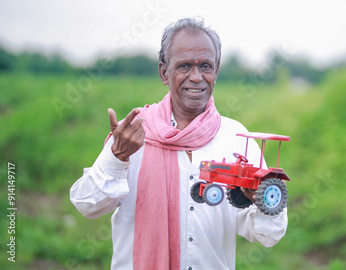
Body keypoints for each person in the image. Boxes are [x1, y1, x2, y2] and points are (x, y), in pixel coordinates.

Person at [70, 17, 288, 270]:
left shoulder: (237, 137)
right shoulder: (134, 134)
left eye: (205, 66)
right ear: (164, 72)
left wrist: (263, 201)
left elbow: (268, 234)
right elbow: (87, 205)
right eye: (184, 66)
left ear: (216, 71)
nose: (196, 77)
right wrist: (116, 158)